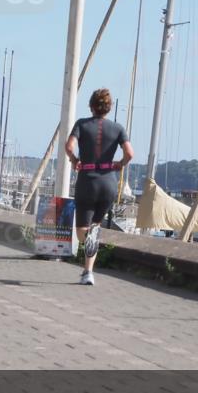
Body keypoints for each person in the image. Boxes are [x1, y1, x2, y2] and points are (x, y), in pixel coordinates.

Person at [63, 88, 133, 286]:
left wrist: (74, 160)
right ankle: (88, 272)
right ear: (108, 108)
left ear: (91, 106)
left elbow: (68, 146)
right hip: (108, 182)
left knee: (81, 231)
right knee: (95, 227)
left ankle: (88, 262)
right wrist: (120, 164)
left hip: (87, 180)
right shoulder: (118, 128)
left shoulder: (82, 124)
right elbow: (130, 153)